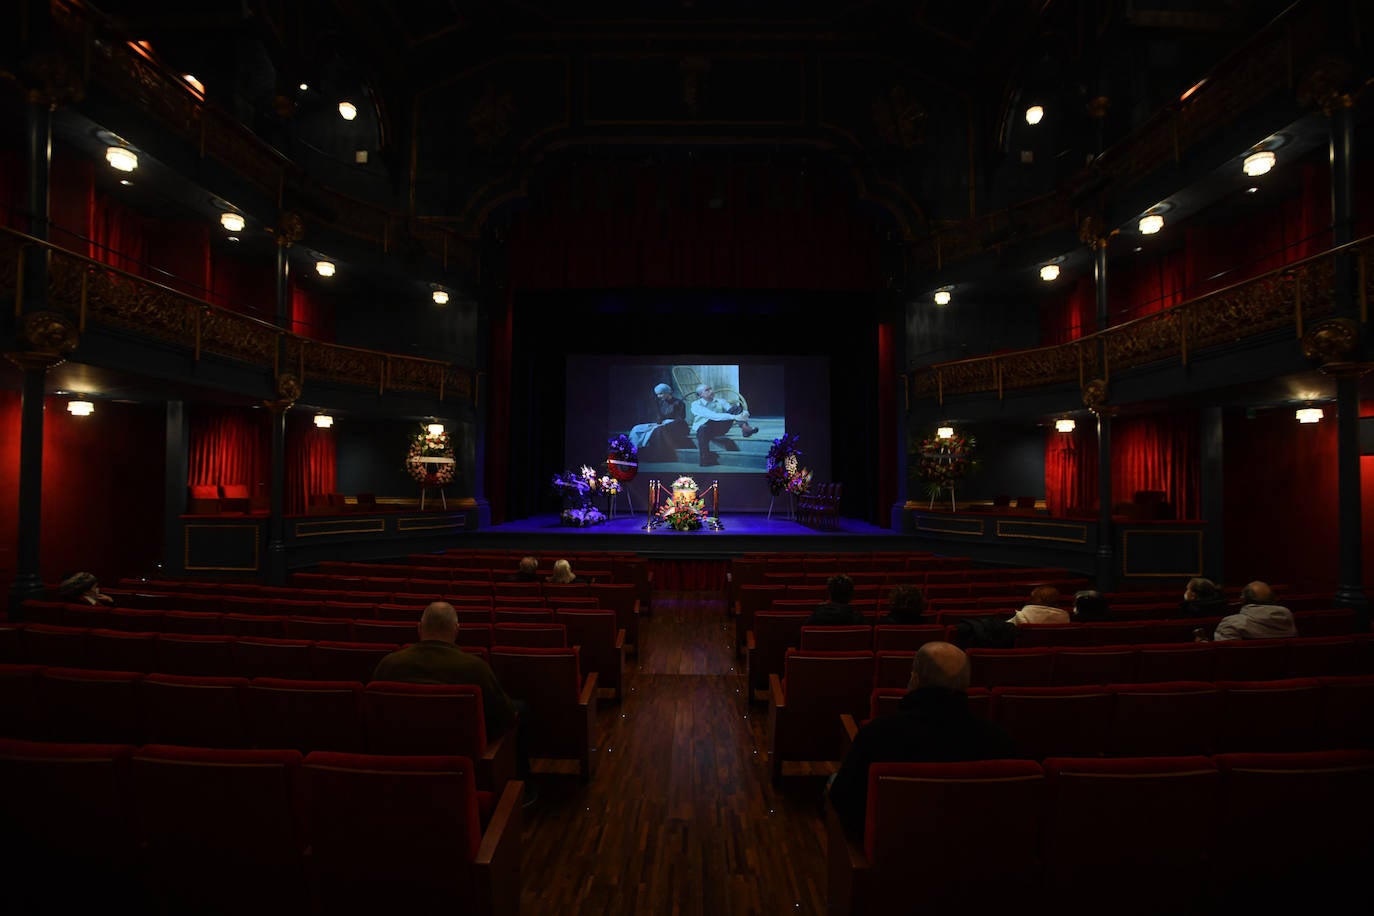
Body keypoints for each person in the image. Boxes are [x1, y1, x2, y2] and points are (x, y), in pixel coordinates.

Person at [827, 641, 1014, 839]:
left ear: (914, 679)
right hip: (974, 853)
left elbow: (844, 801)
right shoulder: (999, 740)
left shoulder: (878, 734)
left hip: (890, 849)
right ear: (966, 685)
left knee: (833, 782)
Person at [371, 601, 534, 801]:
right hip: (464, 764)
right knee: (520, 710)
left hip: (399, 764)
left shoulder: (387, 666)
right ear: (456, 631)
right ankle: (523, 791)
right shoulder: (474, 668)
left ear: (419, 629)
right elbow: (506, 718)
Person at [690, 382, 758, 467]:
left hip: (719, 428)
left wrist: (744, 414)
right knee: (703, 428)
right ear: (700, 395)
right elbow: (713, 416)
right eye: (707, 390)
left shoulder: (720, 401)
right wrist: (735, 417)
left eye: (711, 389)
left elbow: (734, 411)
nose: (711, 391)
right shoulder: (696, 405)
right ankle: (705, 458)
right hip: (705, 430)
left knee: (736, 408)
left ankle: (745, 429)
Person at [1211, 580, 1296, 641]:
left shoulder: (1231, 623)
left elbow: (1225, 657)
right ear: (1273, 599)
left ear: (1242, 599)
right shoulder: (1287, 617)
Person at [627, 383, 689, 459]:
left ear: (667, 392)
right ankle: (633, 450)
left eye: (660, 394)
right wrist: (658, 422)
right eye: (657, 394)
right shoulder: (661, 403)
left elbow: (681, 418)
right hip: (661, 423)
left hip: (673, 424)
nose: (658, 396)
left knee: (656, 430)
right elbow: (659, 417)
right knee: (637, 428)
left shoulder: (679, 403)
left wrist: (665, 423)